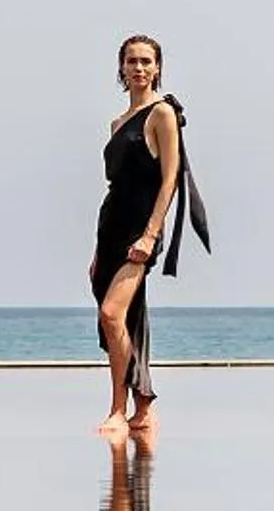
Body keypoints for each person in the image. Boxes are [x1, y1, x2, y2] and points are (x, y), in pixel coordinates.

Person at [87, 32, 207, 435]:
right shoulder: (116, 123)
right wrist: (97, 252)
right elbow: (116, 187)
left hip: (141, 228)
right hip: (110, 227)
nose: (138, 68)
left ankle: (117, 410)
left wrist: (151, 235)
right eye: (131, 61)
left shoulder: (162, 114)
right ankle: (142, 410)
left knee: (111, 315)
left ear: (157, 68)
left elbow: (170, 178)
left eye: (146, 61)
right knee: (127, 320)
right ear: (121, 68)